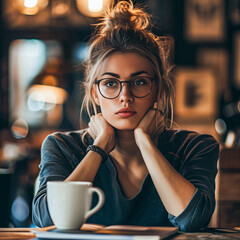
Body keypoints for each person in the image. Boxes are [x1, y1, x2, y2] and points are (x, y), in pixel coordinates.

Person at [32, 1, 219, 232]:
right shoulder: (62, 147)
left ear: (158, 89)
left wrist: (145, 142)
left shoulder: (194, 147)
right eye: (111, 83)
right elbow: (46, 219)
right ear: (94, 94)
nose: (125, 96)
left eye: (139, 82)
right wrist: (99, 148)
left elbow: (192, 220)